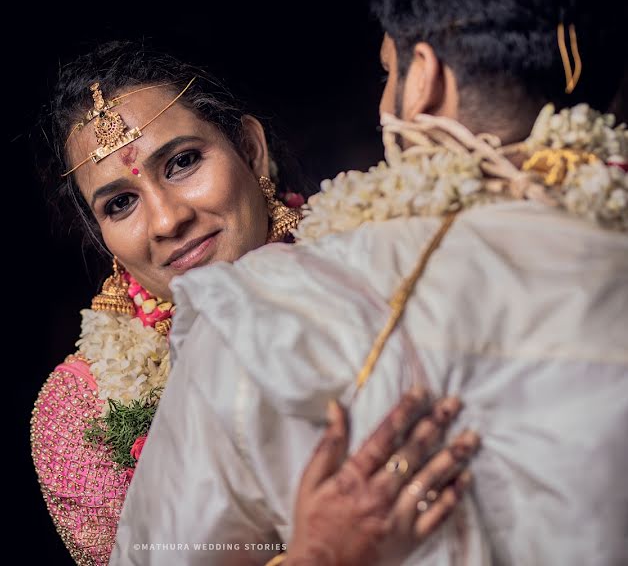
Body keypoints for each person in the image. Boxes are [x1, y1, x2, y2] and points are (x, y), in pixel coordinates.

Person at [112, 0, 628, 565]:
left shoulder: (261, 324)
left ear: (424, 82)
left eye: (389, 72)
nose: (166, 220)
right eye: (121, 202)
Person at [30, 42, 477, 565]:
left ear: (250, 150)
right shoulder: (82, 411)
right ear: (101, 235)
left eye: (182, 162)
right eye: (121, 203)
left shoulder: (390, 262)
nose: (167, 220)